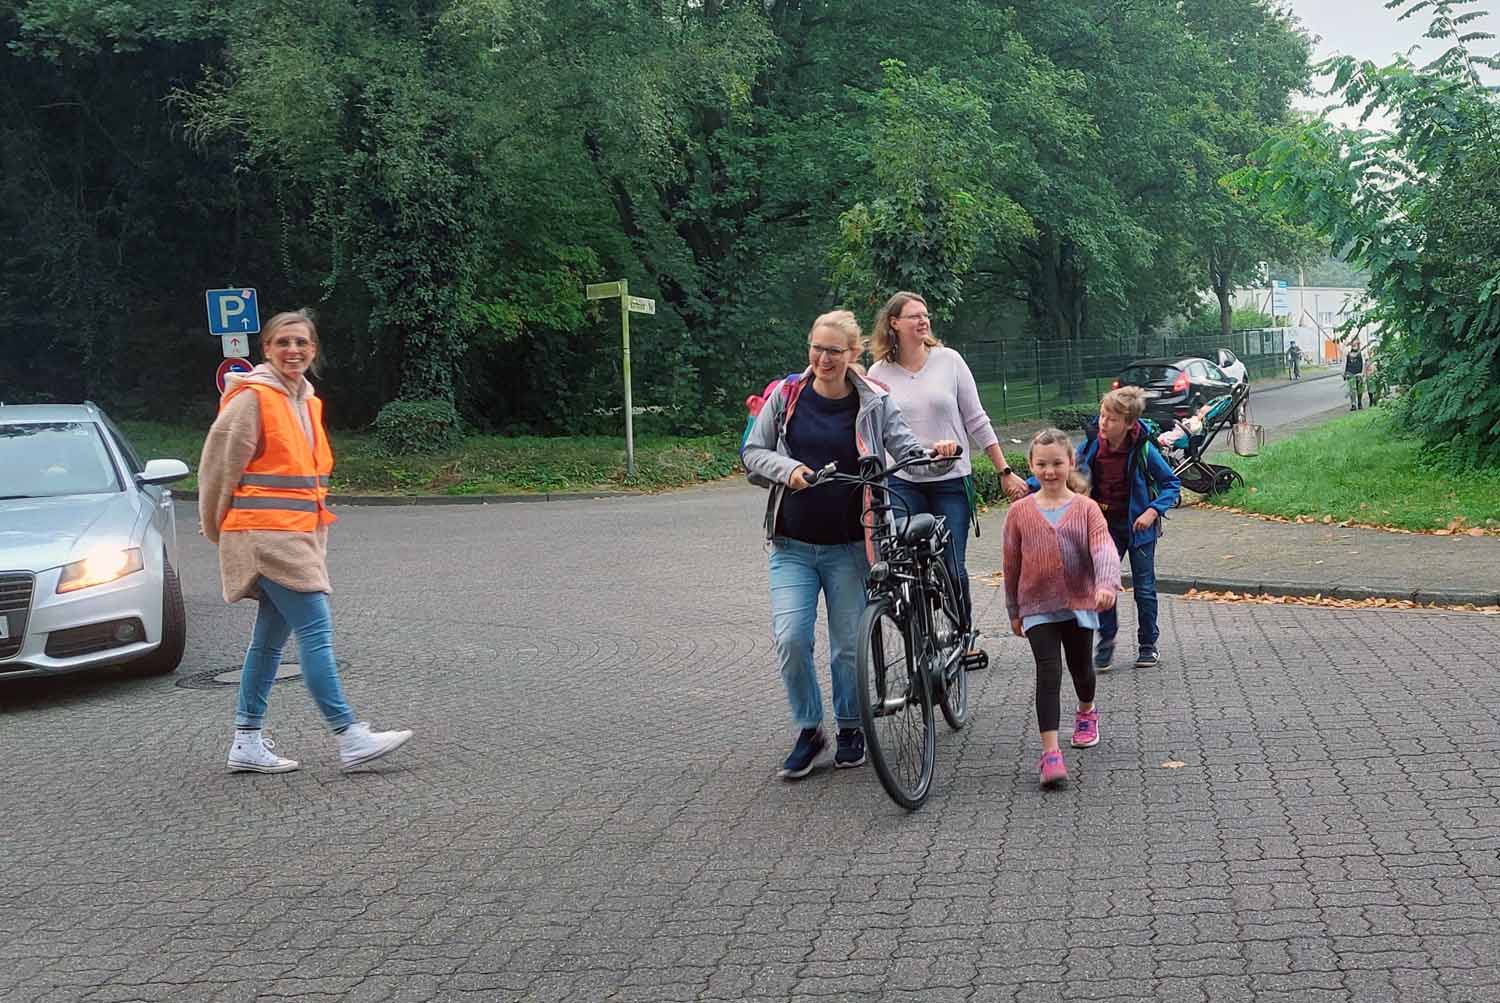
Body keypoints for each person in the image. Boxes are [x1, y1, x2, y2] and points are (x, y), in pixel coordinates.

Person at [742, 310, 957, 780]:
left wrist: (938, 454)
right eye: (816, 348)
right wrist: (789, 470)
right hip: (792, 544)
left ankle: (850, 728)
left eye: (833, 351)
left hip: (850, 547)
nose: (822, 358)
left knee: (845, 648)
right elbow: (753, 454)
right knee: (791, 639)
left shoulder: (875, 402)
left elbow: (908, 455)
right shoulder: (786, 396)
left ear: (852, 355)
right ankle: (808, 729)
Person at [200, 309, 413, 775]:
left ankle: (246, 741)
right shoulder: (251, 399)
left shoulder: (306, 401)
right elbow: (216, 469)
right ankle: (349, 735)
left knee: (270, 642)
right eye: (283, 343)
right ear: (267, 350)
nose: (293, 350)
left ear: (313, 350)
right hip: (265, 536)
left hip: (295, 536)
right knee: (315, 630)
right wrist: (218, 530)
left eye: (301, 343)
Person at [866, 291, 1030, 641]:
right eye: (914, 316)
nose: (924, 321)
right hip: (902, 480)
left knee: (952, 566)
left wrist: (1004, 471)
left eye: (926, 315)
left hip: (950, 480)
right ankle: (921, 642)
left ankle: (963, 633)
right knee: (907, 567)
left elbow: (976, 419)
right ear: (894, 323)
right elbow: (872, 430)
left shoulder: (949, 361)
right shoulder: (878, 372)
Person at [1030, 386, 1181, 671]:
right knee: (1104, 585)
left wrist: (1152, 510)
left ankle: (1148, 644)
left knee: (1144, 588)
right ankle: (1106, 640)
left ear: (1128, 423)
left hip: (1139, 528)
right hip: (1105, 527)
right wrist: (1027, 485)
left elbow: (1171, 484)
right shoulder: (1093, 446)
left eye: (1110, 419)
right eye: (1102, 416)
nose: (1103, 423)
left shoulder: (1144, 449)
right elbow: (1064, 468)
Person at [1004, 429, 1120, 788]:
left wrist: (1105, 584)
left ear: (1070, 462)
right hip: (1037, 604)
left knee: (1081, 667)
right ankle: (1050, 753)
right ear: (1031, 466)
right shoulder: (1019, 513)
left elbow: (1103, 549)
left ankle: (1087, 711)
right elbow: (1011, 563)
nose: (1050, 471)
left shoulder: (1086, 509)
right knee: (1048, 672)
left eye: (1057, 463)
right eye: (1042, 464)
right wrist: (1013, 609)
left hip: (1079, 601)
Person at [1344, 342, 1366, 410]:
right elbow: (1345, 364)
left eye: (1355, 344)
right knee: (1352, 389)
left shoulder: (1361, 353)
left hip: (1359, 373)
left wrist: (1362, 373)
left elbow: (1363, 363)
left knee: (1360, 389)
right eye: (1353, 344)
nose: (1354, 346)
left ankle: (1359, 403)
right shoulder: (1348, 354)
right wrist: (1345, 373)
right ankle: (1353, 404)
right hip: (1350, 373)